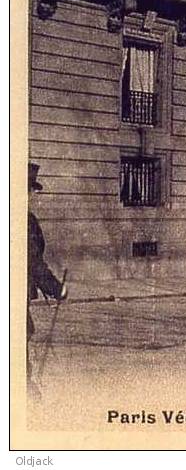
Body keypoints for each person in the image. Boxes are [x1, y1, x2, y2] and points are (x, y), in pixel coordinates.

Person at [27, 162, 67, 387]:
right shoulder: (23, 220)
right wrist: (56, 288)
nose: (34, 196)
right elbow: (32, 262)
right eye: (32, 190)